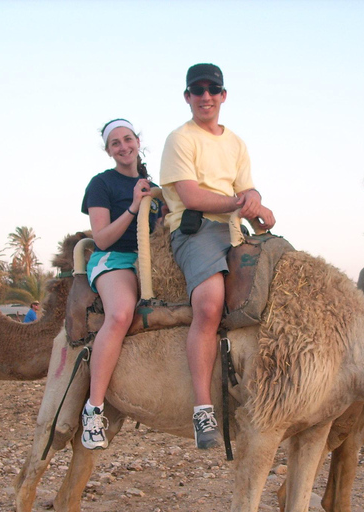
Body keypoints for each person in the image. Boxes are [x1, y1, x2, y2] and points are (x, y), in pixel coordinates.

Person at [160, 63, 276, 449]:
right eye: (198, 90)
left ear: (223, 95)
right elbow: (191, 195)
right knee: (209, 306)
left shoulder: (236, 143)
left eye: (213, 89)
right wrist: (240, 203)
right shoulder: (180, 139)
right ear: (188, 97)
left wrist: (255, 201)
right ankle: (203, 409)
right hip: (196, 229)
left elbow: (247, 188)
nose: (205, 96)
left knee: (283, 285)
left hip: (232, 228)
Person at [79, 118, 161, 449]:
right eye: (115, 142)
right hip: (115, 258)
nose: (123, 146)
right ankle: (94, 408)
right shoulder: (101, 184)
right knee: (120, 314)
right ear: (108, 150)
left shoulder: (153, 184)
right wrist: (132, 206)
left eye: (128, 139)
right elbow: (101, 237)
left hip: (151, 262)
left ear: (138, 141)